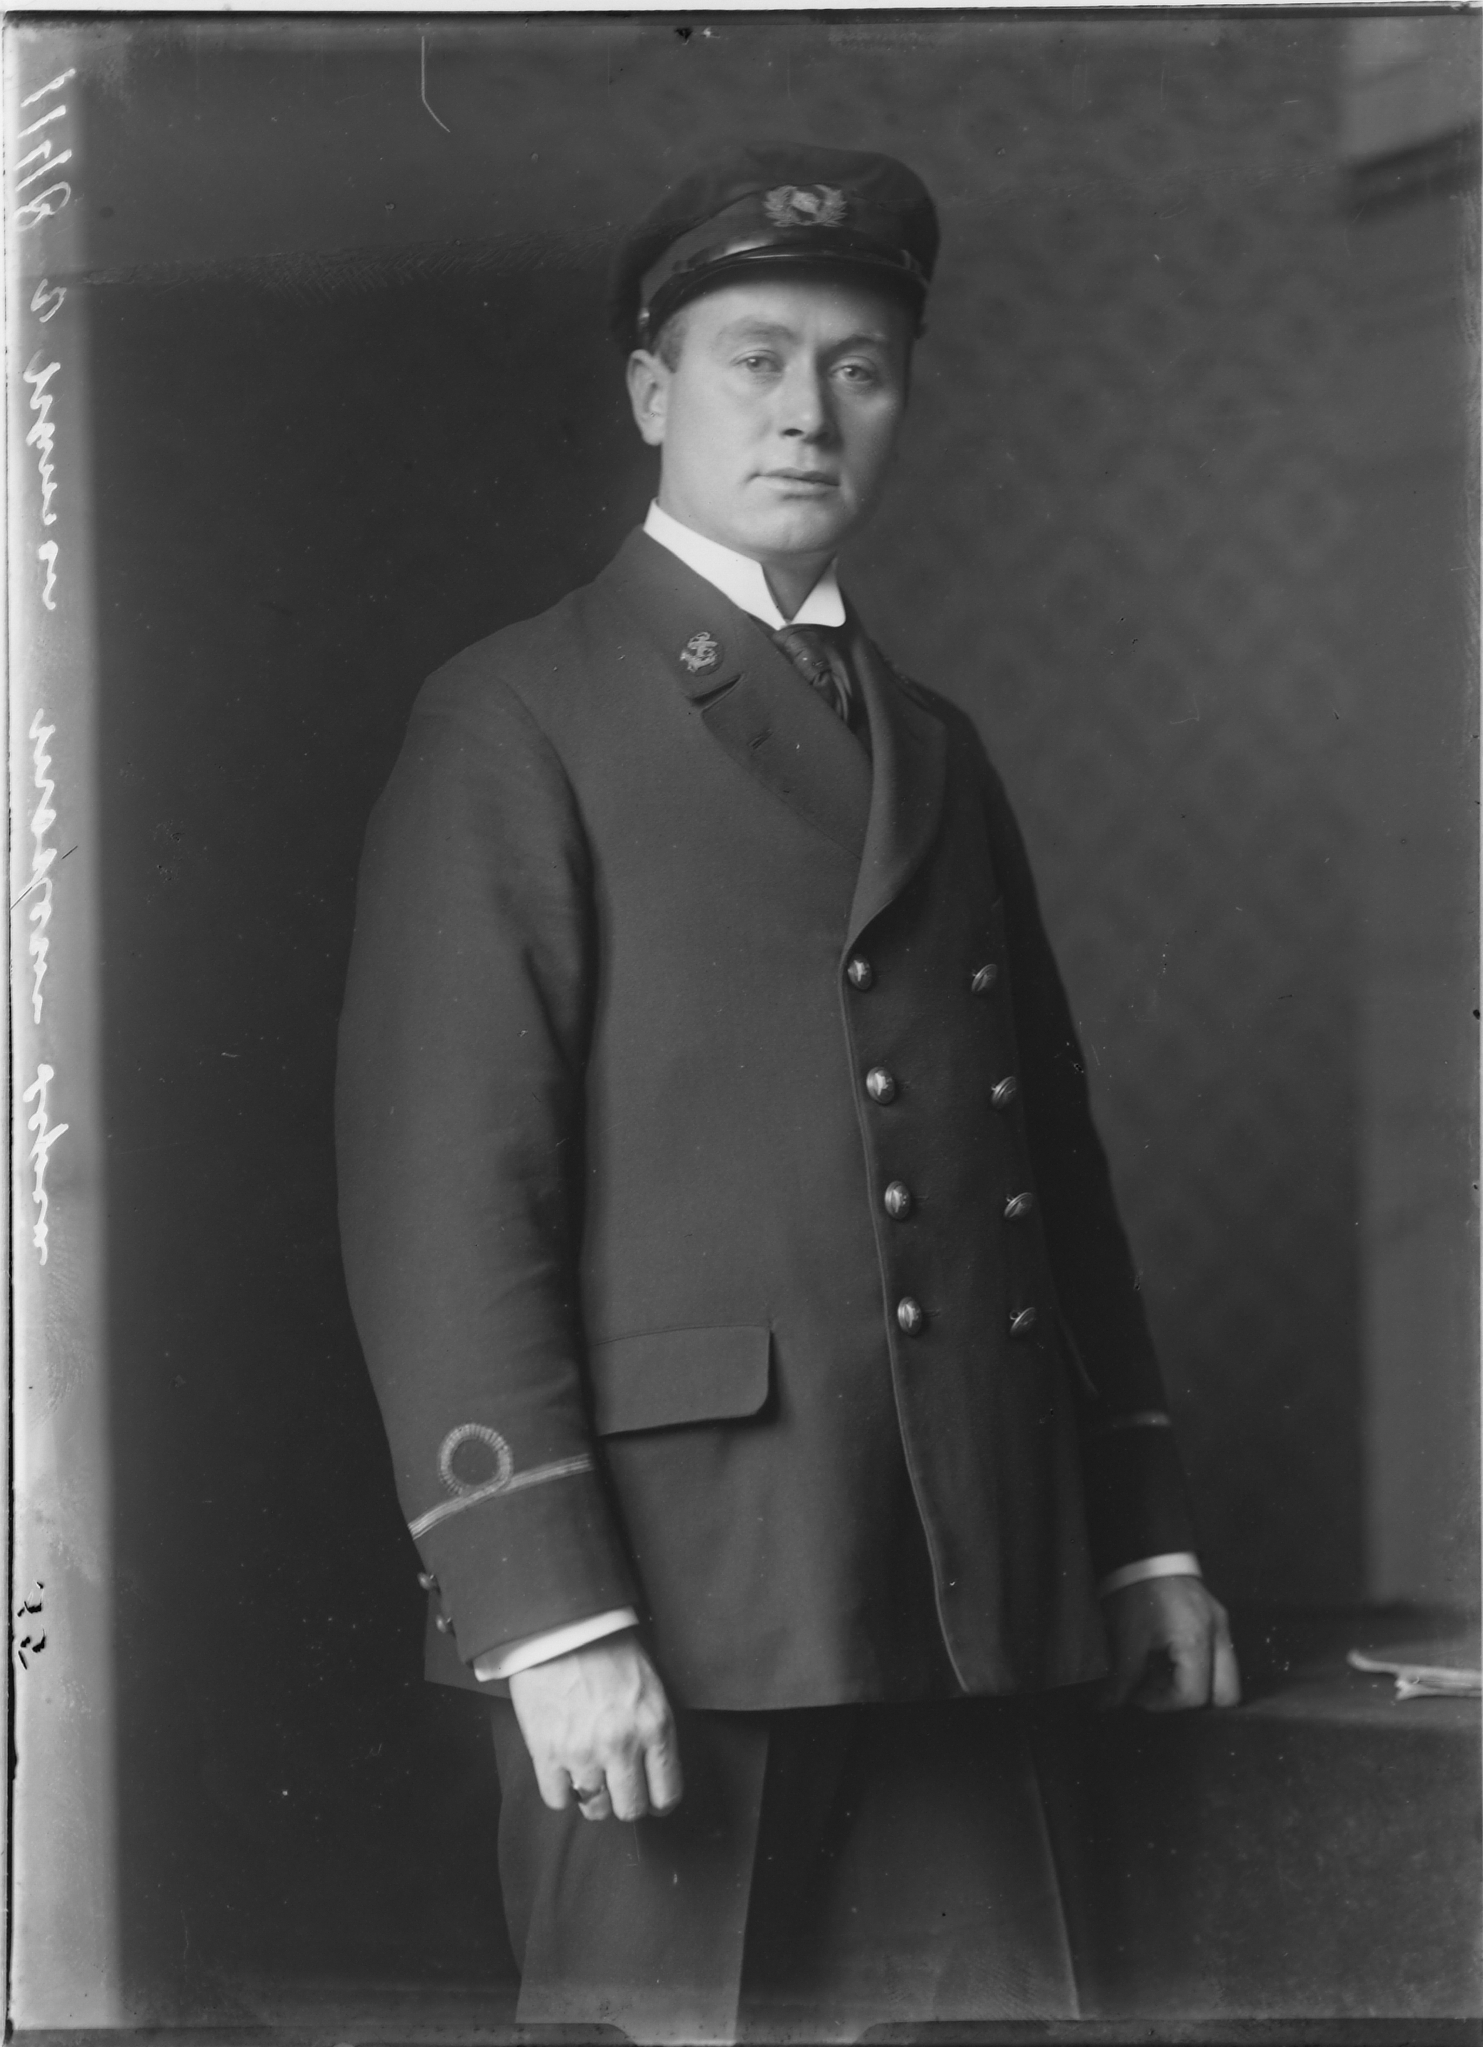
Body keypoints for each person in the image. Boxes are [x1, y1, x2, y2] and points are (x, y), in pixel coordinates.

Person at [336, 140, 1240, 2043]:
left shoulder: (938, 747)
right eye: (756, 360)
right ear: (650, 392)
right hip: (681, 1607)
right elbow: (444, 1202)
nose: (809, 412)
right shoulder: (517, 714)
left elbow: (1047, 1170)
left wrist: (1140, 1534)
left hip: (980, 1590)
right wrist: (549, 1616)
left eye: (860, 367)